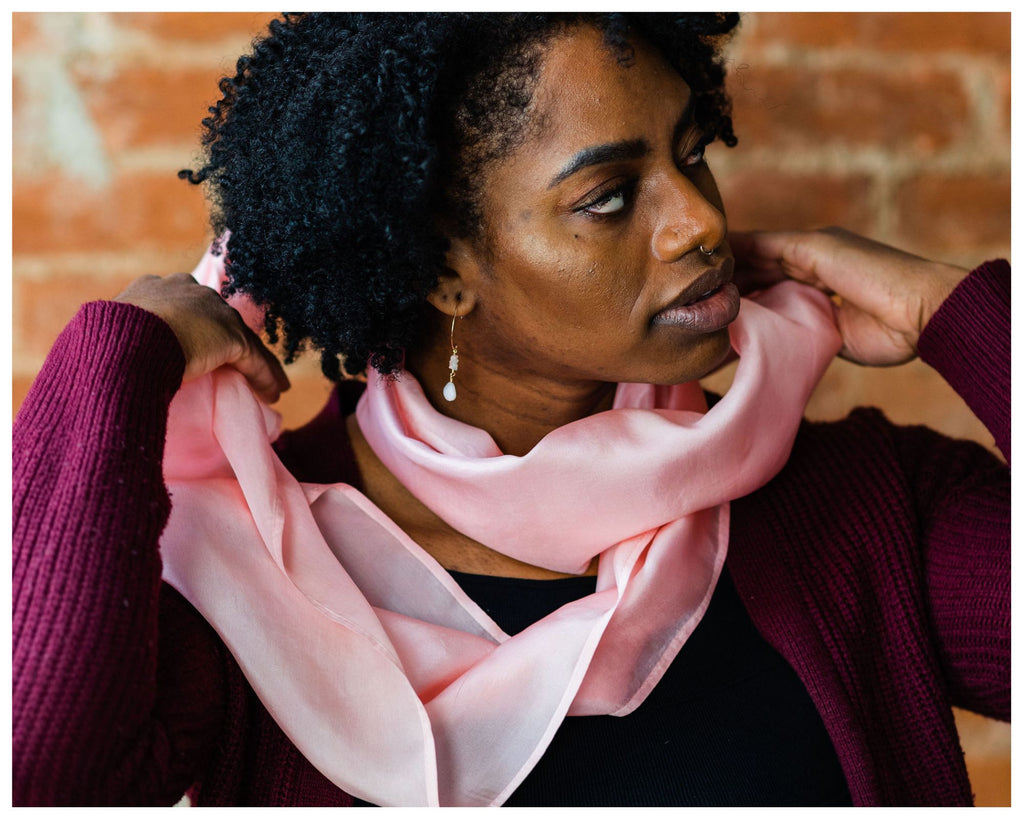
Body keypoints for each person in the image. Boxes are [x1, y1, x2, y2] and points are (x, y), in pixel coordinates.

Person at [12, 12, 1008, 807]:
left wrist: (960, 315)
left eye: (692, 153)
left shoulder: (860, 505)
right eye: (611, 195)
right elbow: (43, 771)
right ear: (445, 272)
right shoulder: (253, 568)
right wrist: (121, 354)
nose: (700, 219)